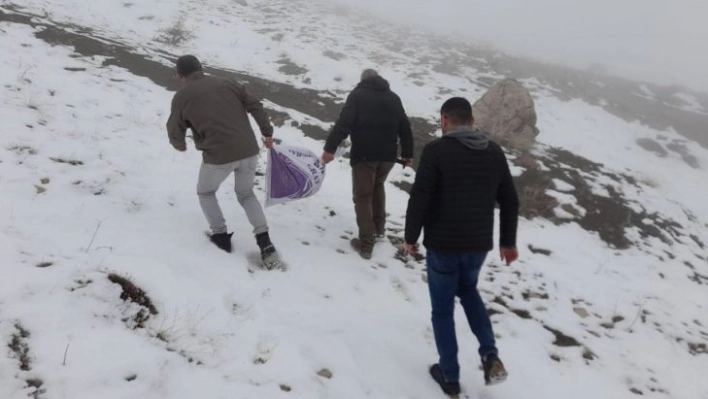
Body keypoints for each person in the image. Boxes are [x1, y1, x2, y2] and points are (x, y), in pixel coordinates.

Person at [404, 97, 519, 396]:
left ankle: (450, 376)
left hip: (443, 245)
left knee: (442, 312)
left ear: (444, 120)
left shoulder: (436, 150)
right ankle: (490, 355)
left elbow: (420, 197)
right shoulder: (493, 152)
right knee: (468, 291)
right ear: (471, 120)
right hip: (478, 245)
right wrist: (508, 241)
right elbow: (509, 199)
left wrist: (410, 237)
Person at [166, 55, 279, 267]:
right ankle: (265, 243)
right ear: (201, 68)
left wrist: (179, 144)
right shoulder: (228, 83)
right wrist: (267, 132)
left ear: (180, 75)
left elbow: (174, 128)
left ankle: (220, 236)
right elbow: (254, 104)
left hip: (218, 156)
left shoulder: (181, 97)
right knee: (246, 194)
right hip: (248, 150)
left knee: (206, 192)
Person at [322, 69, 414, 260]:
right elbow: (405, 127)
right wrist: (407, 154)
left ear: (363, 80)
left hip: (365, 155)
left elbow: (343, 124)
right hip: (388, 156)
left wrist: (329, 149)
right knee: (378, 186)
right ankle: (379, 230)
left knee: (363, 196)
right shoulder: (393, 98)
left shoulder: (357, 95)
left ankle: (366, 243)